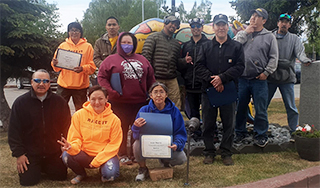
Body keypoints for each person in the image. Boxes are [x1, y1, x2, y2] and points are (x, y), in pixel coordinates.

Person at [98, 32, 156, 164]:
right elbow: (101, 78)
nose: (127, 45)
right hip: (119, 102)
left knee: (139, 129)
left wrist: (152, 93)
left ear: (134, 44)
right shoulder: (110, 60)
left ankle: (136, 154)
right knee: (121, 129)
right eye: (124, 42)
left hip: (140, 102)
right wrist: (111, 92)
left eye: (129, 42)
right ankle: (122, 153)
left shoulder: (143, 59)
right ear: (119, 43)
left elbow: (151, 78)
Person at [8, 69, 71, 186]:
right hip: (30, 153)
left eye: (45, 81)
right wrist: (19, 154)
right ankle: (36, 167)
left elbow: (68, 127)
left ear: (49, 83)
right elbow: (13, 131)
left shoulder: (60, 102)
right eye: (37, 80)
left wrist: (66, 147)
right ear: (32, 82)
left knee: (60, 176)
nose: (41, 84)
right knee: (28, 181)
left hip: (53, 152)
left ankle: (45, 167)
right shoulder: (20, 103)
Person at [197, 14, 245, 165]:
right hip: (209, 91)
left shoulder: (237, 46)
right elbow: (198, 67)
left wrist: (222, 78)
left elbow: (240, 67)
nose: (221, 27)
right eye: (218, 25)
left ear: (228, 26)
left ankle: (226, 152)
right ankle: (209, 151)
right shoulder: (205, 46)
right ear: (213, 27)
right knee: (208, 123)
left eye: (223, 24)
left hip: (228, 90)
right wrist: (214, 80)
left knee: (229, 123)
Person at [57, 85, 122, 184]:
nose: (97, 102)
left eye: (100, 99)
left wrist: (98, 160)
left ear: (107, 99)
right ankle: (81, 174)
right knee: (67, 154)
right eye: (93, 99)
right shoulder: (79, 115)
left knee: (110, 177)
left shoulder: (114, 120)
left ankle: (104, 171)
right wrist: (71, 147)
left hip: (104, 155)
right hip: (84, 154)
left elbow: (114, 144)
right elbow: (76, 138)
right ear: (88, 98)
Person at [234, 8, 278, 147]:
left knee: (260, 108)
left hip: (259, 79)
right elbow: (234, 47)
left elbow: (274, 57)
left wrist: (266, 72)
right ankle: (240, 132)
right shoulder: (244, 33)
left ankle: (260, 134)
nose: (253, 18)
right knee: (240, 107)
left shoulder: (269, 36)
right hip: (242, 78)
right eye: (252, 15)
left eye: (257, 16)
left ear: (263, 21)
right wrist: (246, 32)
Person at [132, 82, 187, 181]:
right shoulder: (144, 110)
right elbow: (136, 135)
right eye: (155, 92)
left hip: (167, 144)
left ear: (166, 94)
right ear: (150, 95)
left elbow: (180, 132)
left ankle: (165, 161)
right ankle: (142, 169)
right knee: (136, 145)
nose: (158, 95)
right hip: (148, 144)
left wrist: (177, 144)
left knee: (181, 158)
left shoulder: (174, 111)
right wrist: (136, 127)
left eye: (161, 92)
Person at [268, 13, 311, 134]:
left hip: (287, 78)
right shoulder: (269, 36)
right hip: (270, 77)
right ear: (278, 23)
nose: (284, 24)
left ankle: (294, 130)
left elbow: (300, 53)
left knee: (291, 107)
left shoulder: (295, 39)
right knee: (262, 106)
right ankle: (261, 130)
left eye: (286, 22)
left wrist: (304, 60)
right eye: (282, 21)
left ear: (289, 25)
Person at [142, 15, 192, 110]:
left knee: (175, 104)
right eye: (171, 23)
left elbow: (176, 63)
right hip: (156, 78)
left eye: (176, 24)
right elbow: (146, 58)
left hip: (171, 79)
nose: (173, 26)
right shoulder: (153, 38)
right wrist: (150, 77)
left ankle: (174, 123)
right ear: (165, 23)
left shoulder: (176, 44)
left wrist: (184, 61)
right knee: (154, 104)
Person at [51, 22, 96, 111]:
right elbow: (56, 68)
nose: (74, 33)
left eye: (77, 30)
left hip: (80, 87)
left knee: (81, 112)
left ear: (81, 32)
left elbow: (92, 67)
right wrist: (54, 63)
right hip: (63, 85)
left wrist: (82, 68)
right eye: (72, 30)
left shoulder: (88, 47)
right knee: (58, 110)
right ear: (68, 32)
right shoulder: (62, 45)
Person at [181, 18, 209, 120]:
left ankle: (210, 132)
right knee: (193, 112)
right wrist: (184, 61)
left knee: (208, 111)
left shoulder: (209, 44)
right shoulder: (186, 45)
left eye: (198, 26)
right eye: (193, 26)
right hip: (190, 85)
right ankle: (196, 133)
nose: (195, 28)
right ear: (190, 28)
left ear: (202, 28)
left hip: (205, 84)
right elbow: (180, 64)